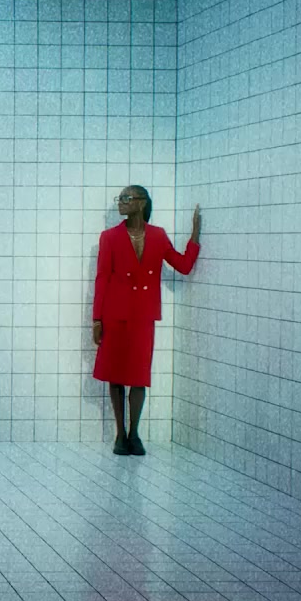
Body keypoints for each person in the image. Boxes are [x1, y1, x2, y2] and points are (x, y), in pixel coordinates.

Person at [92, 185, 200, 456]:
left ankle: (134, 434)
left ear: (141, 203)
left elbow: (184, 265)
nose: (121, 202)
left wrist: (195, 235)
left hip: (143, 317)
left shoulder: (158, 235)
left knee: (139, 376)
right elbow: (102, 278)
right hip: (115, 316)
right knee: (116, 375)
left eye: (126, 198)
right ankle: (120, 435)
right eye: (120, 198)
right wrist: (97, 319)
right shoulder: (109, 237)